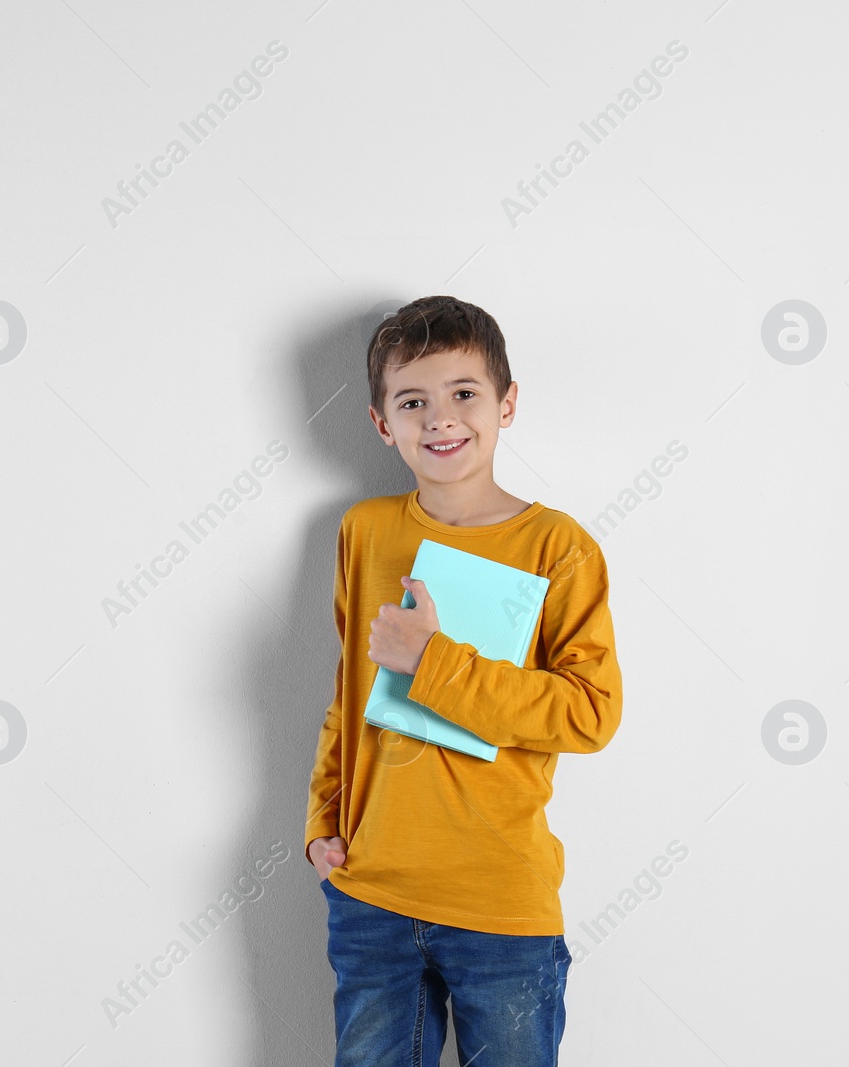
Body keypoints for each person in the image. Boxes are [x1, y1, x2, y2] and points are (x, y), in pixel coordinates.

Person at [304, 295, 622, 1066]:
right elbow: (349, 692)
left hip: (501, 902)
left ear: (506, 404)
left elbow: (590, 713)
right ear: (384, 422)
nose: (440, 418)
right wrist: (323, 817)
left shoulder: (559, 546)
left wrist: (435, 662)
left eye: (464, 394)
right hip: (372, 893)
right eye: (413, 401)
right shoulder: (364, 531)